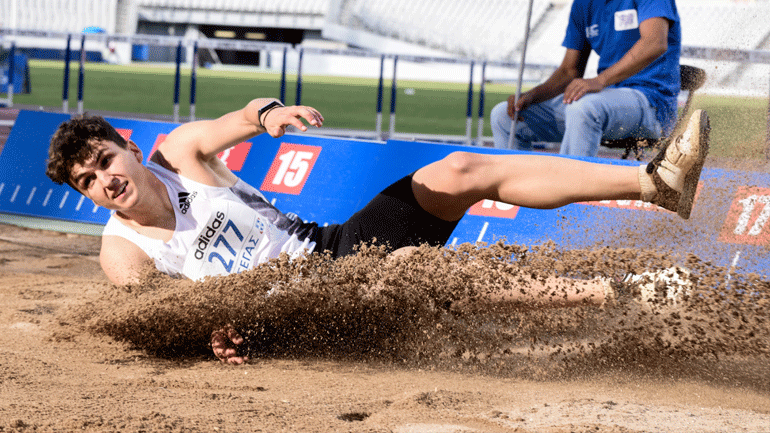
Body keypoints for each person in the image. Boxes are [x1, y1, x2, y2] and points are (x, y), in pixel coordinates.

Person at [45, 98, 709, 364]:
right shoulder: (122, 249)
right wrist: (208, 328)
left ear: (126, 146)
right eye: (87, 180)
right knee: (426, 277)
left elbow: (237, 118)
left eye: (104, 160)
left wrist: (269, 113)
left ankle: (656, 185)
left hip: (330, 249)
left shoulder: (180, 153)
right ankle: (625, 295)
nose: (104, 180)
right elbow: (157, 311)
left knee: (455, 169)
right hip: (295, 318)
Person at [490, 0, 682, 156]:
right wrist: (532, 95)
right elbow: (569, 71)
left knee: (584, 108)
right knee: (504, 116)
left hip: (651, 102)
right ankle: (520, 196)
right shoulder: (583, 4)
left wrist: (599, 80)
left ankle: (568, 197)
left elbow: (655, 42)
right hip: (607, 99)